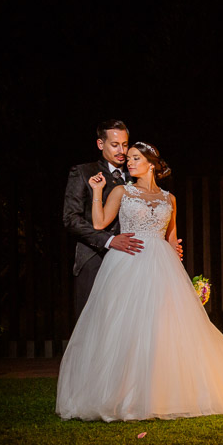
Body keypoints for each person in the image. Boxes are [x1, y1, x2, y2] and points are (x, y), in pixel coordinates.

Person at [56, 141, 223, 422]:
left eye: (136, 158)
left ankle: (163, 389)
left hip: (162, 264)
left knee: (165, 328)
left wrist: (177, 257)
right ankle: (123, 393)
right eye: (129, 159)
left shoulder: (169, 199)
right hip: (128, 260)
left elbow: (172, 238)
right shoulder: (120, 191)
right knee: (126, 325)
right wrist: (98, 192)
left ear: (152, 164)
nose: (130, 162)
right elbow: (100, 223)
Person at [63, 119, 144, 321]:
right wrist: (108, 241)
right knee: (91, 325)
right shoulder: (83, 172)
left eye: (125, 144)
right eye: (115, 144)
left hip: (131, 260)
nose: (122, 151)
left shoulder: (136, 173)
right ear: (101, 144)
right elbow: (71, 219)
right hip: (94, 258)